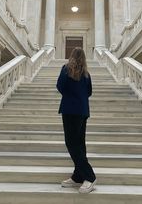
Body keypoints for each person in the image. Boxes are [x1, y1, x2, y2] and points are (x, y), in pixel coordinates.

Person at [56, 47, 96, 193]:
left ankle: (89, 176)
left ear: (72, 56)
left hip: (70, 110)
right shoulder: (86, 74)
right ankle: (78, 176)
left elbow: (60, 86)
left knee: (72, 143)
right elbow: (89, 92)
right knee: (79, 144)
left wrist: (70, 96)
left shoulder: (66, 69)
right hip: (83, 111)